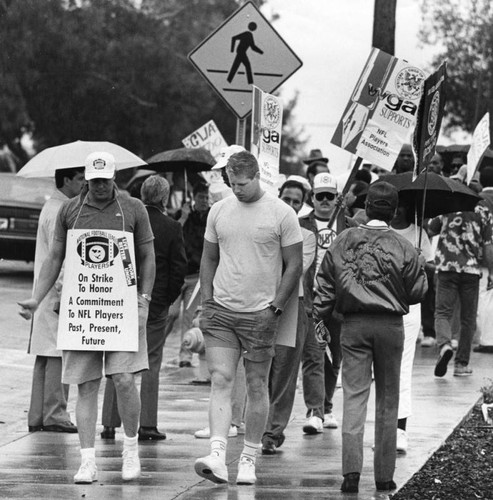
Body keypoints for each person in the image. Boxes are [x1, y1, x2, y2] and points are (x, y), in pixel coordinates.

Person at [18, 152, 156, 484]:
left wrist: (144, 300)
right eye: (93, 181)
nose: (99, 187)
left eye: (105, 180)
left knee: (124, 380)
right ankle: (87, 460)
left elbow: (147, 255)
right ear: (86, 178)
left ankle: (131, 449)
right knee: (86, 384)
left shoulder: (133, 209)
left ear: (114, 178)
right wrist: (36, 298)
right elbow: (54, 258)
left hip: (121, 308)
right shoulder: (70, 210)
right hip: (83, 309)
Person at [194, 150, 302, 485]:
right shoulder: (219, 211)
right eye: (232, 183)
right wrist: (208, 301)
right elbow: (208, 258)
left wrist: (276, 308)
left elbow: (294, 266)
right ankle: (216, 453)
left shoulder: (282, 214)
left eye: (243, 183)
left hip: (261, 312)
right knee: (221, 379)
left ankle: (249, 457)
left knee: (257, 384)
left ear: (257, 176)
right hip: (222, 311)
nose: (237, 189)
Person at [313, 181, 428, 493]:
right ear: (393, 211)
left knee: (354, 396)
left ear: (367, 207)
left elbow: (324, 284)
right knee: (388, 401)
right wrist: (418, 264)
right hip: (390, 326)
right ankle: (384, 476)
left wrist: (320, 318)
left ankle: (351, 473)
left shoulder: (344, 239)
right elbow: (418, 292)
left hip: (353, 325)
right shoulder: (404, 246)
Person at [100, 176, 187, 441]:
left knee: (118, 361)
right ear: (164, 198)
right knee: (151, 362)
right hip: (156, 302)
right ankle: (147, 423)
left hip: (122, 300)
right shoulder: (172, 226)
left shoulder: (127, 219)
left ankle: (109, 423)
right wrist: (168, 298)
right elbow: (178, 268)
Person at [27, 166, 85, 434]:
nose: (84, 183)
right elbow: (58, 258)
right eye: (80, 178)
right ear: (66, 181)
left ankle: (38, 414)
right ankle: (55, 413)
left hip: (44, 291)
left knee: (44, 354)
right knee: (57, 353)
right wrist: (63, 293)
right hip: (55, 293)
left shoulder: (50, 206)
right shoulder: (61, 211)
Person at [261, 179, 316, 454]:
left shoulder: (307, 237)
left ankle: (272, 432)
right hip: (259, 304)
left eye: (297, 201)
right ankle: (259, 423)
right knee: (260, 369)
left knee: (284, 371)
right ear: (278, 196)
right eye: (287, 198)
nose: (291, 205)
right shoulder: (263, 228)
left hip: (294, 305)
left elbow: (295, 269)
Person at [299, 172, 357, 434]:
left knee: (334, 357)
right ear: (312, 197)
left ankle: (328, 406)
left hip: (339, 301)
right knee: (313, 355)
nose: (324, 200)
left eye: (329, 196)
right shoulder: (300, 224)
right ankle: (314, 411)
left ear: (337, 198)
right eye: (319, 196)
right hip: (311, 300)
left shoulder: (350, 226)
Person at [429, 197, 493, 377]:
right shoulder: (483, 211)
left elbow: (430, 228)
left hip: (446, 268)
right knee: (468, 318)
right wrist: (492, 272)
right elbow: (488, 246)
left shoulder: (447, 206)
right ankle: (461, 364)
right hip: (471, 270)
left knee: (442, 312)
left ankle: (445, 345)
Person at [390, 200, 434, 453]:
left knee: (402, 370)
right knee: (382, 373)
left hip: (408, 309)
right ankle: (385, 430)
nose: (396, 211)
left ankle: (400, 430)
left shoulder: (419, 233)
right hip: (380, 308)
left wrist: (417, 259)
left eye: (400, 206)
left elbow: (428, 267)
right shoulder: (377, 231)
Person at [166, 180, 210, 367]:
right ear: (194, 198)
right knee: (170, 314)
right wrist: (183, 217)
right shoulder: (182, 216)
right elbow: (170, 235)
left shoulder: (210, 217)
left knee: (189, 318)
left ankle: (185, 355)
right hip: (177, 274)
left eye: (207, 197)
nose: (204, 201)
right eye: (201, 197)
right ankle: (154, 347)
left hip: (196, 276)